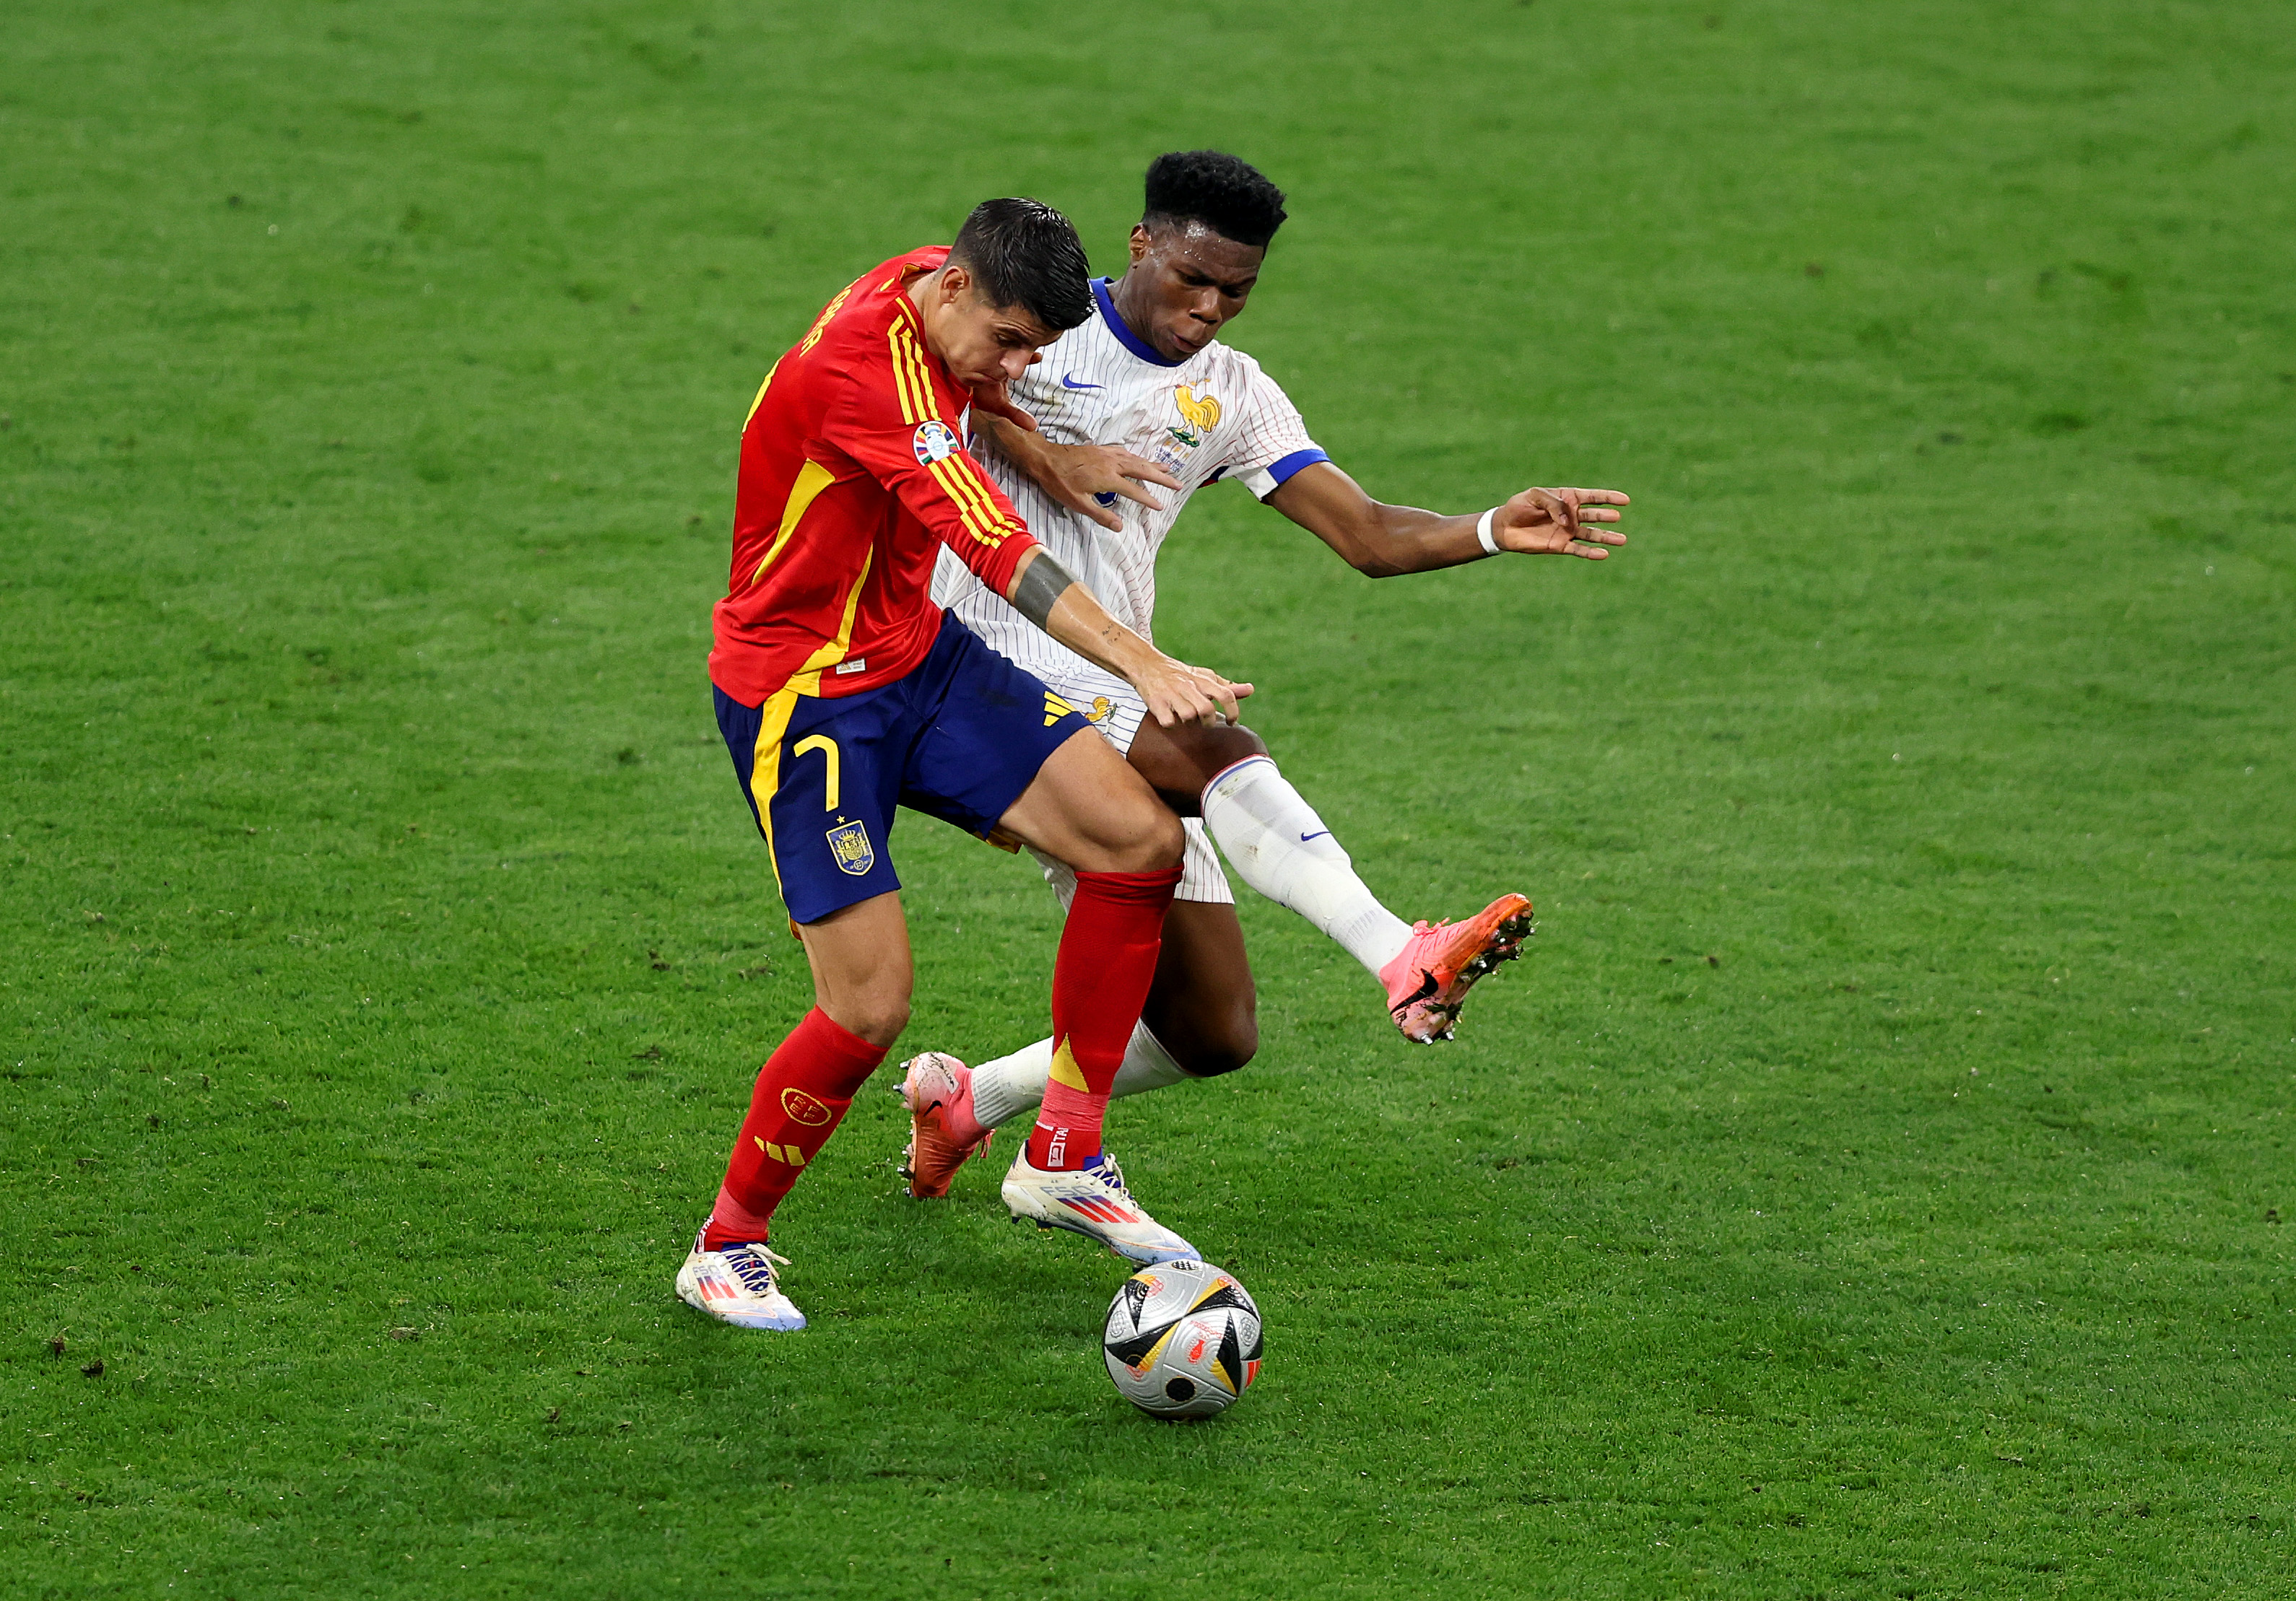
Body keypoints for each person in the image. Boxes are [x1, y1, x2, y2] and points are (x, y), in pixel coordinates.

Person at [900, 153, 1628, 1198]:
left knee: (1211, 1027)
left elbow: (1369, 534)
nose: (1208, 310)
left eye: (1235, 291)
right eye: (1191, 278)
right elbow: (926, 400)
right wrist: (1041, 451)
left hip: (1114, 663)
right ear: (1142, 242)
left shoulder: (1232, 391)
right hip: (982, 659)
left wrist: (1489, 529)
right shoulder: (1038, 328)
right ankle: (1398, 953)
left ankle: (968, 1101)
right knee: (1210, 742)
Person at [676, 199, 1254, 1332]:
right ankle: (726, 1244)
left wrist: (1039, 437)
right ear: (954, 295)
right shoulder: (865, 375)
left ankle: (1062, 1153)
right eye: (1010, 342)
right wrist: (1142, 661)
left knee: (1138, 841)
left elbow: (977, 395)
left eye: (1039, 345)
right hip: (806, 701)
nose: (1023, 364)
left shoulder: (931, 277)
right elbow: (997, 548)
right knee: (868, 1005)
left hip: (916, 658)